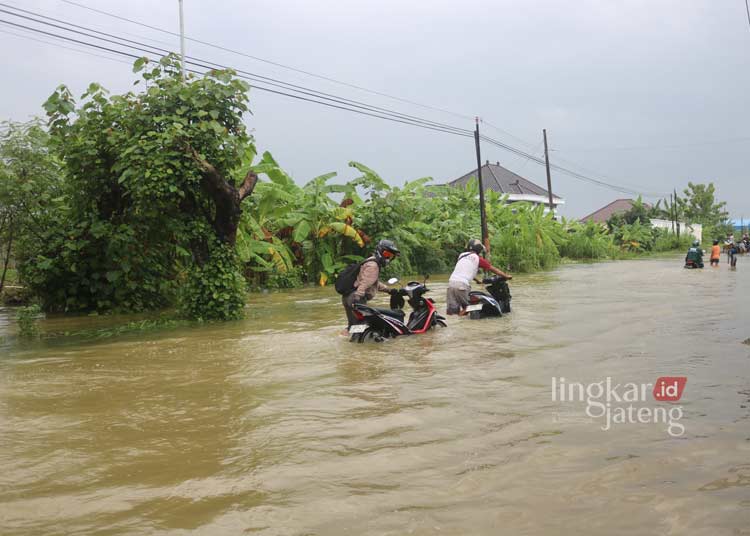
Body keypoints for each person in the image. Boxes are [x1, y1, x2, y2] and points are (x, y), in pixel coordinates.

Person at [341, 239, 400, 329]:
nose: (387, 258)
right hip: (356, 297)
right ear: (380, 251)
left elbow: (373, 282)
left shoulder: (370, 261)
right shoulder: (373, 265)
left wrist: (389, 290)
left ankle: (344, 340)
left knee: (352, 326)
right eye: (386, 254)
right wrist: (358, 297)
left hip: (348, 297)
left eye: (390, 256)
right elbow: (365, 283)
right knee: (363, 327)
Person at [446, 239, 512, 315]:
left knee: (452, 312)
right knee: (469, 308)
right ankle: (461, 317)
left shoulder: (461, 255)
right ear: (479, 250)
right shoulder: (477, 258)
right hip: (462, 285)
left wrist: (477, 280)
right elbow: (494, 270)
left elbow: (464, 270)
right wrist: (506, 276)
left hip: (451, 284)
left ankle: (453, 324)